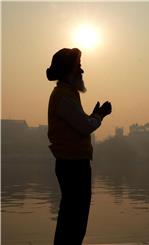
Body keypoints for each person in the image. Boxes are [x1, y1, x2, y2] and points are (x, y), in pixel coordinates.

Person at [46, 48, 112, 245]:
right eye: (79, 67)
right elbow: (84, 126)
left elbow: (80, 123)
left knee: (72, 217)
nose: (82, 72)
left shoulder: (68, 95)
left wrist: (93, 115)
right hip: (72, 165)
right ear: (69, 71)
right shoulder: (63, 96)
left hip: (73, 164)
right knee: (74, 218)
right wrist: (100, 115)